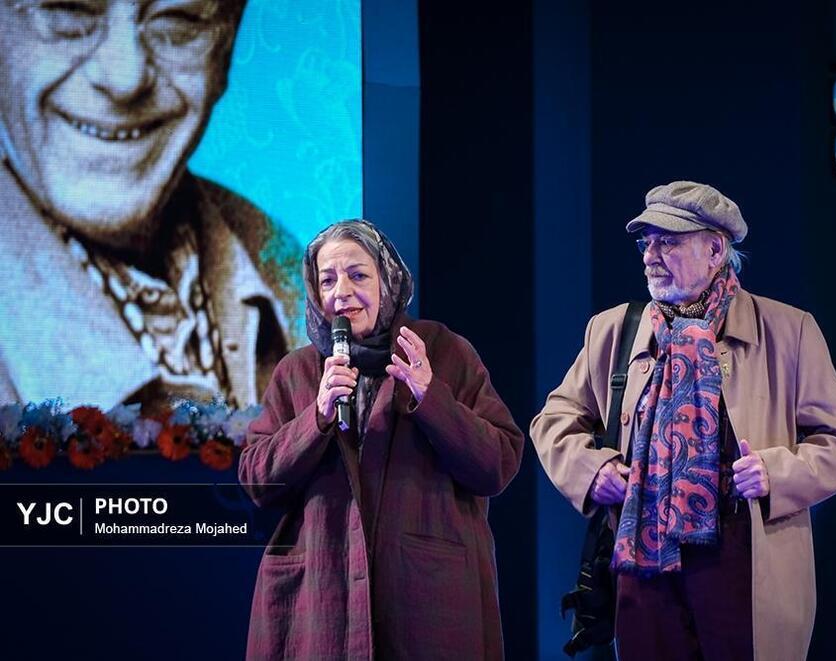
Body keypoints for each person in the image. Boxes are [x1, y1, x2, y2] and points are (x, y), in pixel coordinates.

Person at [531, 181, 836, 660]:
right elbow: (554, 420)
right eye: (646, 243)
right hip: (644, 565)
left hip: (742, 560)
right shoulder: (614, 330)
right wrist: (592, 470)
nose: (651, 256)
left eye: (668, 242)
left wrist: (775, 472)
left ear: (715, 250)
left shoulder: (788, 330)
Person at [238, 220, 524, 660]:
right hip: (321, 606)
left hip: (424, 605)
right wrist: (316, 418)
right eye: (327, 280)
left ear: (387, 279)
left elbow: (498, 464)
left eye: (358, 275)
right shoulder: (297, 372)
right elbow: (257, 482)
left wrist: (431, 396)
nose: (341, 292)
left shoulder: (442, 352)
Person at [0, 0, 302, 410]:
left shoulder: (279, 261)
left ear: (225, 48)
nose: (125, 79)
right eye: (69, 12)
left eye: (178, 22)